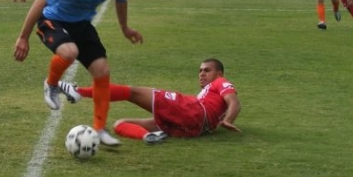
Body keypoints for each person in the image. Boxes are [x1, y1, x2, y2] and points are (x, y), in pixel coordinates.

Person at [13, 0, 144, 147]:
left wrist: (125, 28)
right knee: (69, 52)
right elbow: (40, 2)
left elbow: (121, 1)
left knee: (102, 70)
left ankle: (99, 129)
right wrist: (23, 38)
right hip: (52, 20)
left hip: (81, 24)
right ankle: (51, 84)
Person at [57, 58, 241, 144]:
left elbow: (234, 102)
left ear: (219, 73)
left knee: (133, 92)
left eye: (207, 70)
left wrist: (228, 120)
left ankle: (78, 91)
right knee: (120, 124)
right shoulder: (207, 94)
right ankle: (148, 137)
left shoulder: (220, 82)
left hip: (193, 111)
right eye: (200, 70)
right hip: (192, 128)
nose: (202, 74)